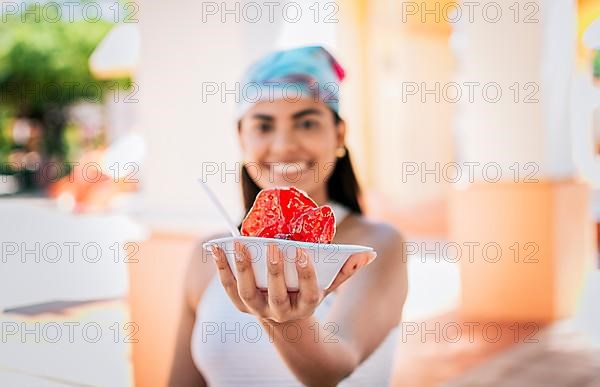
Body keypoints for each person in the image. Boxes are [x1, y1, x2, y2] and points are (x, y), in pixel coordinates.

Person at [169, 46, 408, 387]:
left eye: (307, 123)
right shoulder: (208, 256)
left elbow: (334, 368)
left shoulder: (375, 246)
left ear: (338, 134)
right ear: (241, 137)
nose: (283, 145)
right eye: (263, 126)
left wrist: (286, 322)